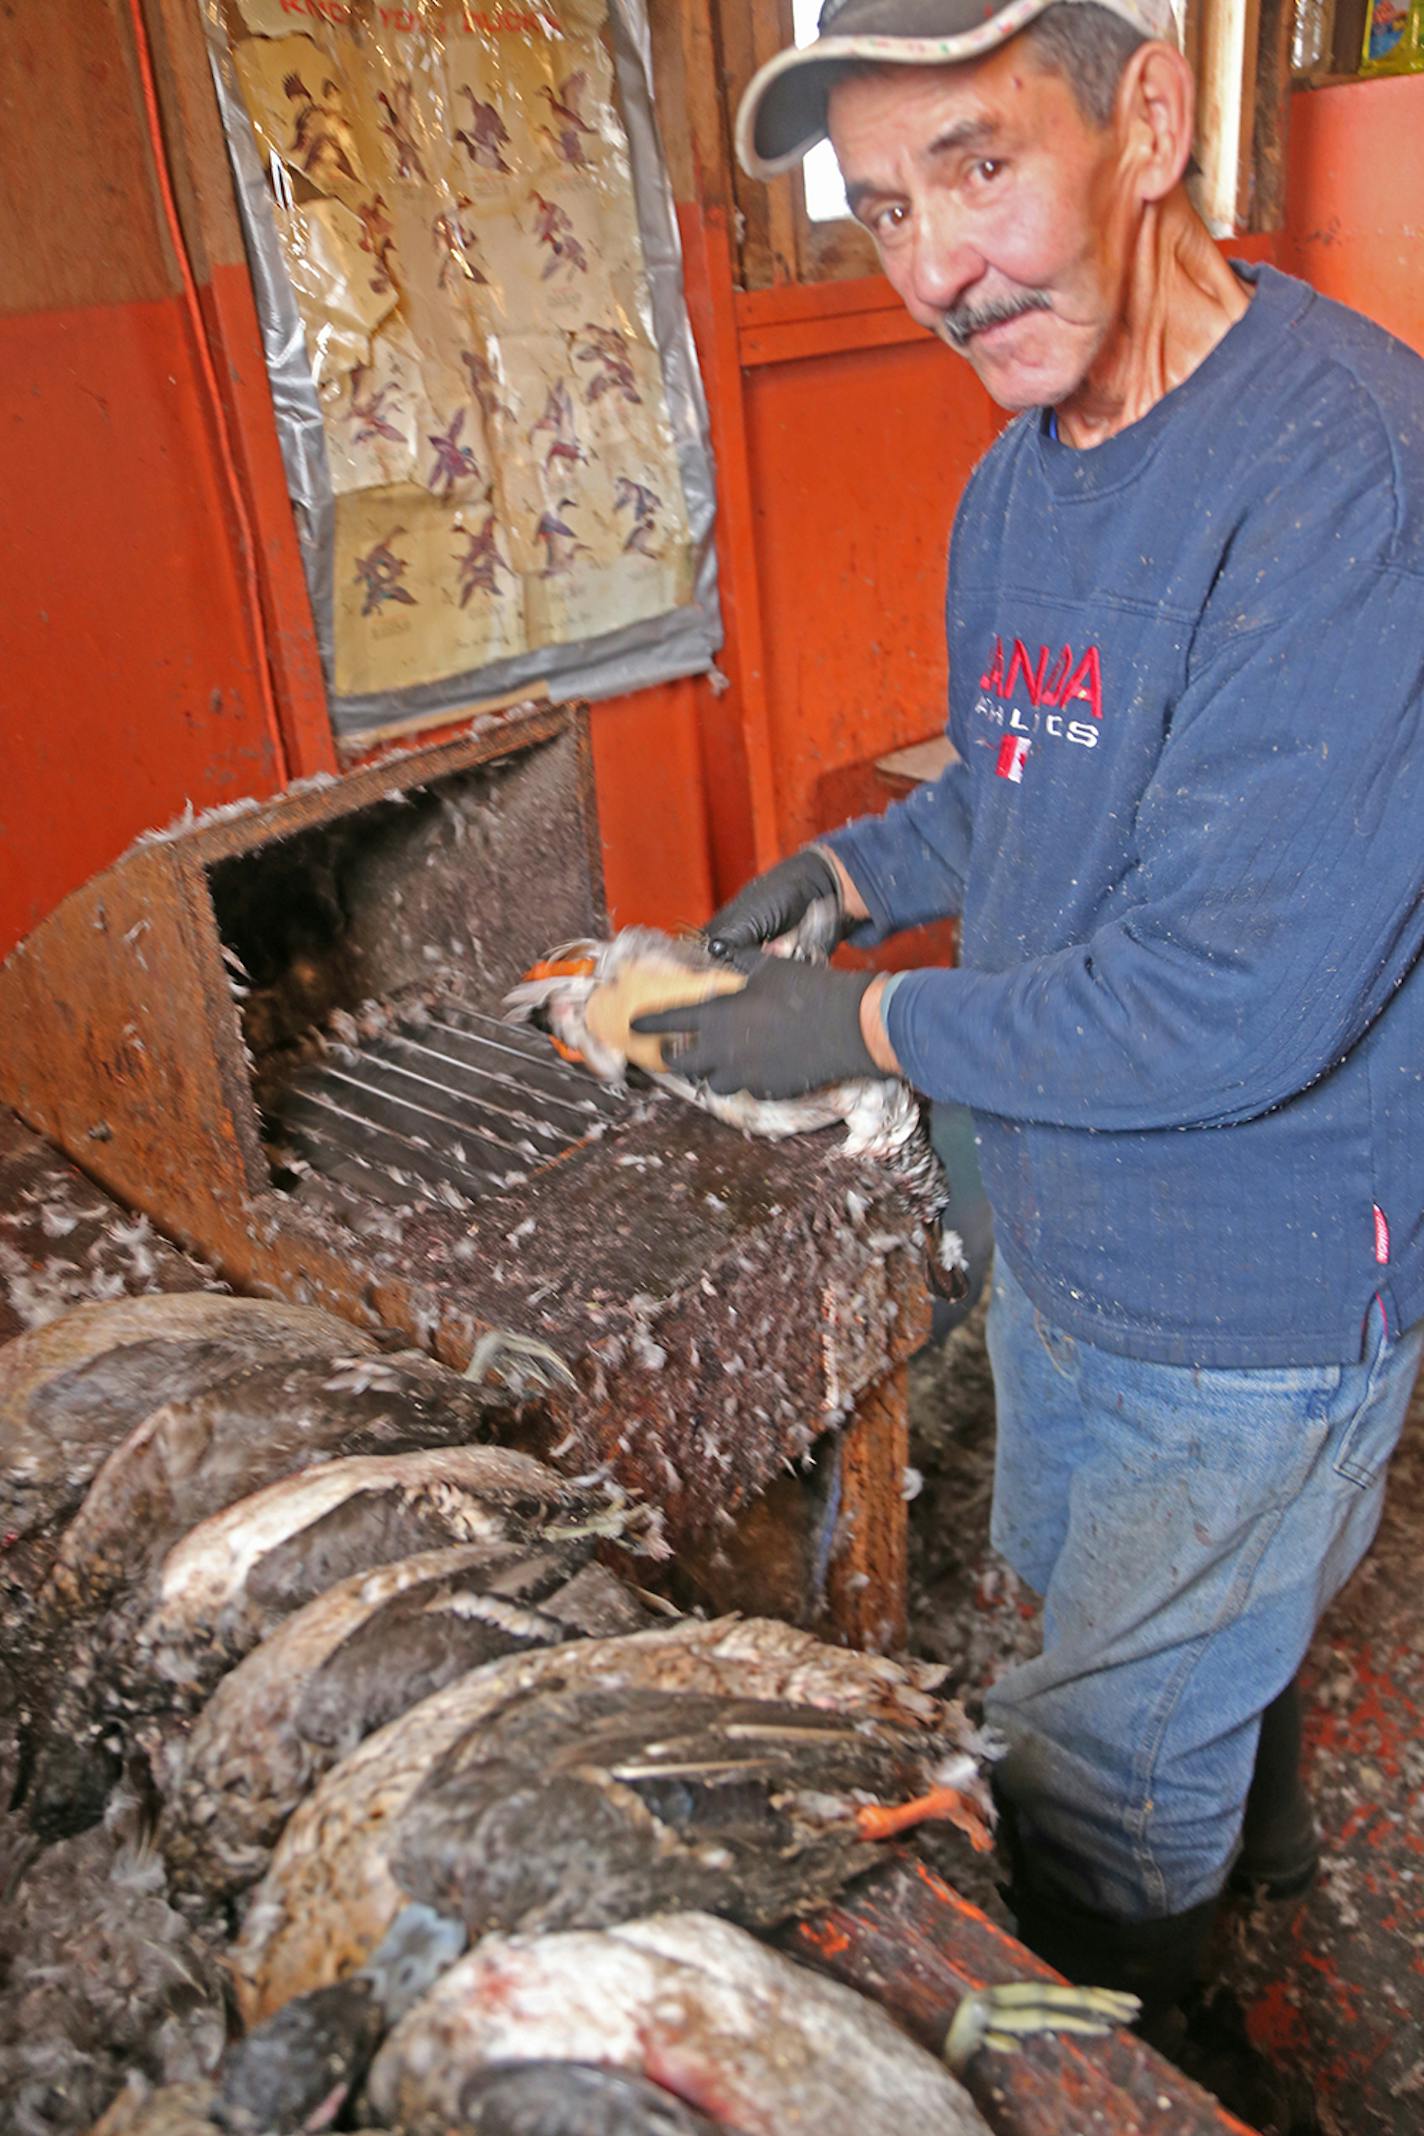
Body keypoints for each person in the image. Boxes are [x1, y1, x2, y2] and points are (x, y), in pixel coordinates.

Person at [635, 0, 1424, 2046]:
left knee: (1089, 1773)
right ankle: (1242, 1859)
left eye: (979, 166)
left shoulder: (1348, 482)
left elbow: (1231, 1003)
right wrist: (855, 878)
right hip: (1067, 1218)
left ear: (1147, 116)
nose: (930, 270)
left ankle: (1144, 2029)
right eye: (884, 206)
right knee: (1131, 1636)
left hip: (1249, 1286)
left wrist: (866, 1034)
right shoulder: (1023, 473)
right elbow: (1030, 775)